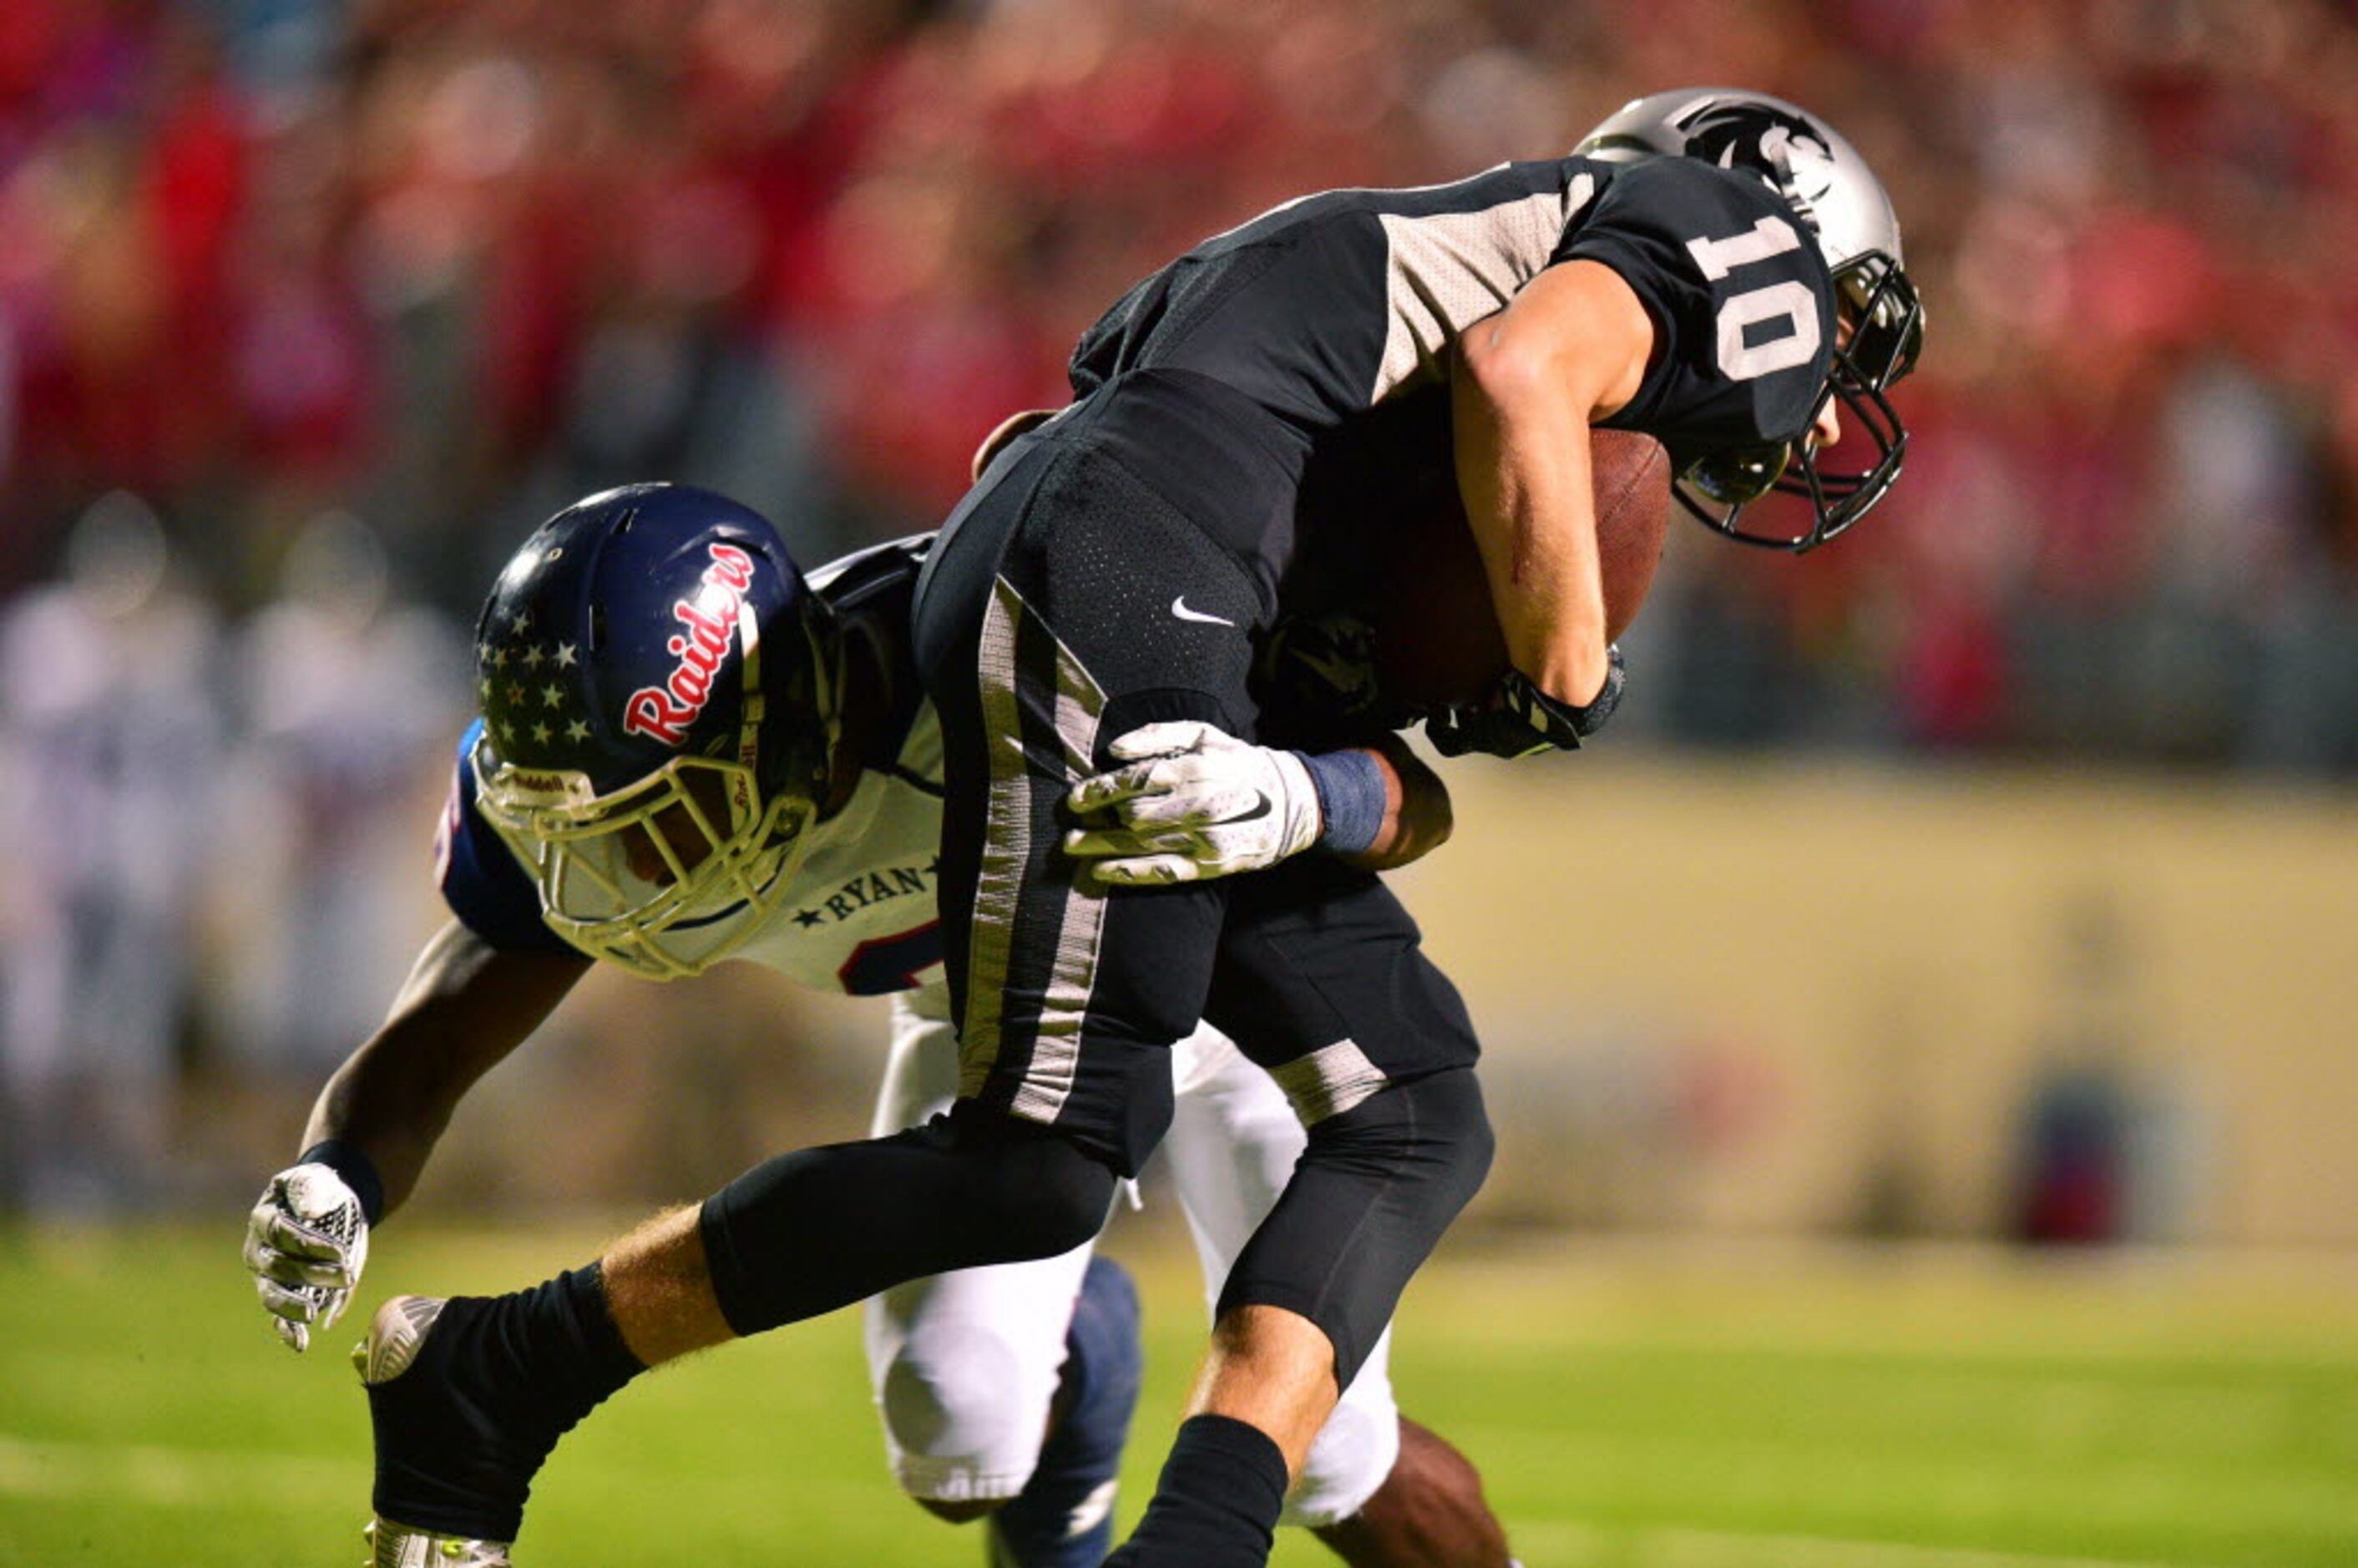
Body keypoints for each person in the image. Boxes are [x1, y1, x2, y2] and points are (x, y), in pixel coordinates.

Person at [292, 87, 1921, 1568]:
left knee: (1418, 1106)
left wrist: (1287, 780)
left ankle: (1179, 1530)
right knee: (1036, 1172)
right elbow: (1522, 373)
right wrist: (1570, 670)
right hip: (1137, 576)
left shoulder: (1357, 386)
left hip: (1141, 582)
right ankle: (506, 1373)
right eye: (1842, 347)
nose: (1825, 418)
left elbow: (1109, 434)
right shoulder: (1723, 246)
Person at [243, 484, 1509, 1566]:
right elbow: (448, 1021)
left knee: (1334, 1454)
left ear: (779, 723)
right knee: (958, 1422)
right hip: (1000, 1017)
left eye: (645, 815)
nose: (611, 867)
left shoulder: (1006, 651)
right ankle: (1084, 1350)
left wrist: (1305, 792)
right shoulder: (631, 795)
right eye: (579, 821)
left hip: (1221, 986)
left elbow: (1419, 797)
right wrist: (336, 1167)